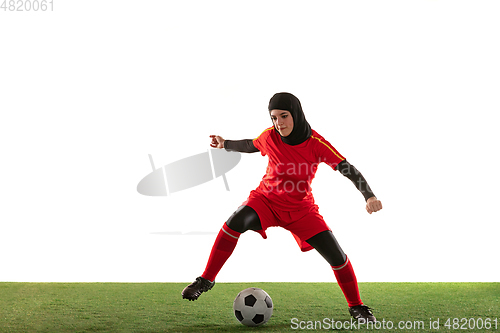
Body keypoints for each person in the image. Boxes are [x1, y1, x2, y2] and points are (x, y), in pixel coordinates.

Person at [181, 92, 382, 322]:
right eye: (274, 118)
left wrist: (369, 196)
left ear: (296, 114)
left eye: (284, 116)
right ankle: (206, 280)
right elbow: (251, 145)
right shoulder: (270, 136)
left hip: (301, 211)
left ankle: (356, 306)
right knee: (234, 222)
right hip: (265, 201)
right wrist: (224, 143)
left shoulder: (316, 143)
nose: (279, 123)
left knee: (337, 257)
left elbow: (347, 168)